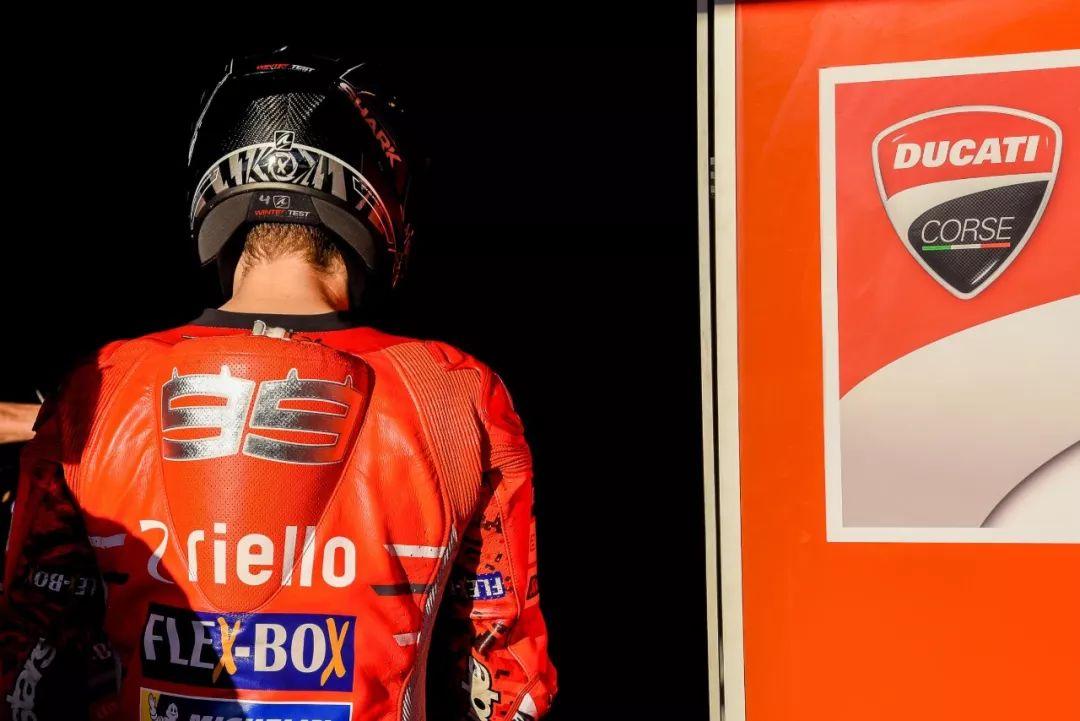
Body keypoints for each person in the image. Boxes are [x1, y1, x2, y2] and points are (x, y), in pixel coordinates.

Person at [0, 50, 557, 721]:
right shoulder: (457, 394)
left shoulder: (101, 390)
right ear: (377, 199)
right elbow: (509, 683)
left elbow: (26, 668)